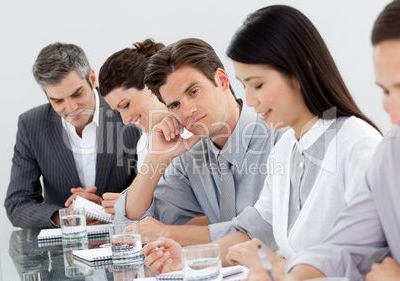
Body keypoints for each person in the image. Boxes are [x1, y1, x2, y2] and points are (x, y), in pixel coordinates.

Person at [142, 5, 383, 274]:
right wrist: (185, 258)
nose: (251, 100)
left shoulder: (356, 144)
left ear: (299, 72)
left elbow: (369, 265)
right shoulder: (286, 150)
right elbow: (252, 232)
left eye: (258, 85)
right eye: (244, 85)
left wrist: (276, 268)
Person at [276, 0, 400, 280]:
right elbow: (345, 247)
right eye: (386, 92)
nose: (393, 115)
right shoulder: (391, 153)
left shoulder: (358, 141)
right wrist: (296, 275)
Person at [118, 37, 283, 246]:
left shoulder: (280, 139)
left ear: (222, 80)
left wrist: (169, 234)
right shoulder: (191, 157)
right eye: (175, 105)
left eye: (193, 92)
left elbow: (267, 230)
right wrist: (155, 159)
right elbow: (132, 224)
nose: (188, 111)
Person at [5, 42, 141, 228]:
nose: (71, 108)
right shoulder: (31, 125)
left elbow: (154, 187)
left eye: (77, 94)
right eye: (58, 100)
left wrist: (111, 206)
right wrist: (66, 217)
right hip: (67, 245)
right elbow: (17, 204)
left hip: (126, 236)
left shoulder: (127, 112)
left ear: (92, 79)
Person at [97, 38, 169, 220]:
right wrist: (125, 202)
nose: (125, 119)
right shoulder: (144, 140)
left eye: (126, 104)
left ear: (152, 84)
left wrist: (127, 204)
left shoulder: (195, 133)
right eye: (118, 111)